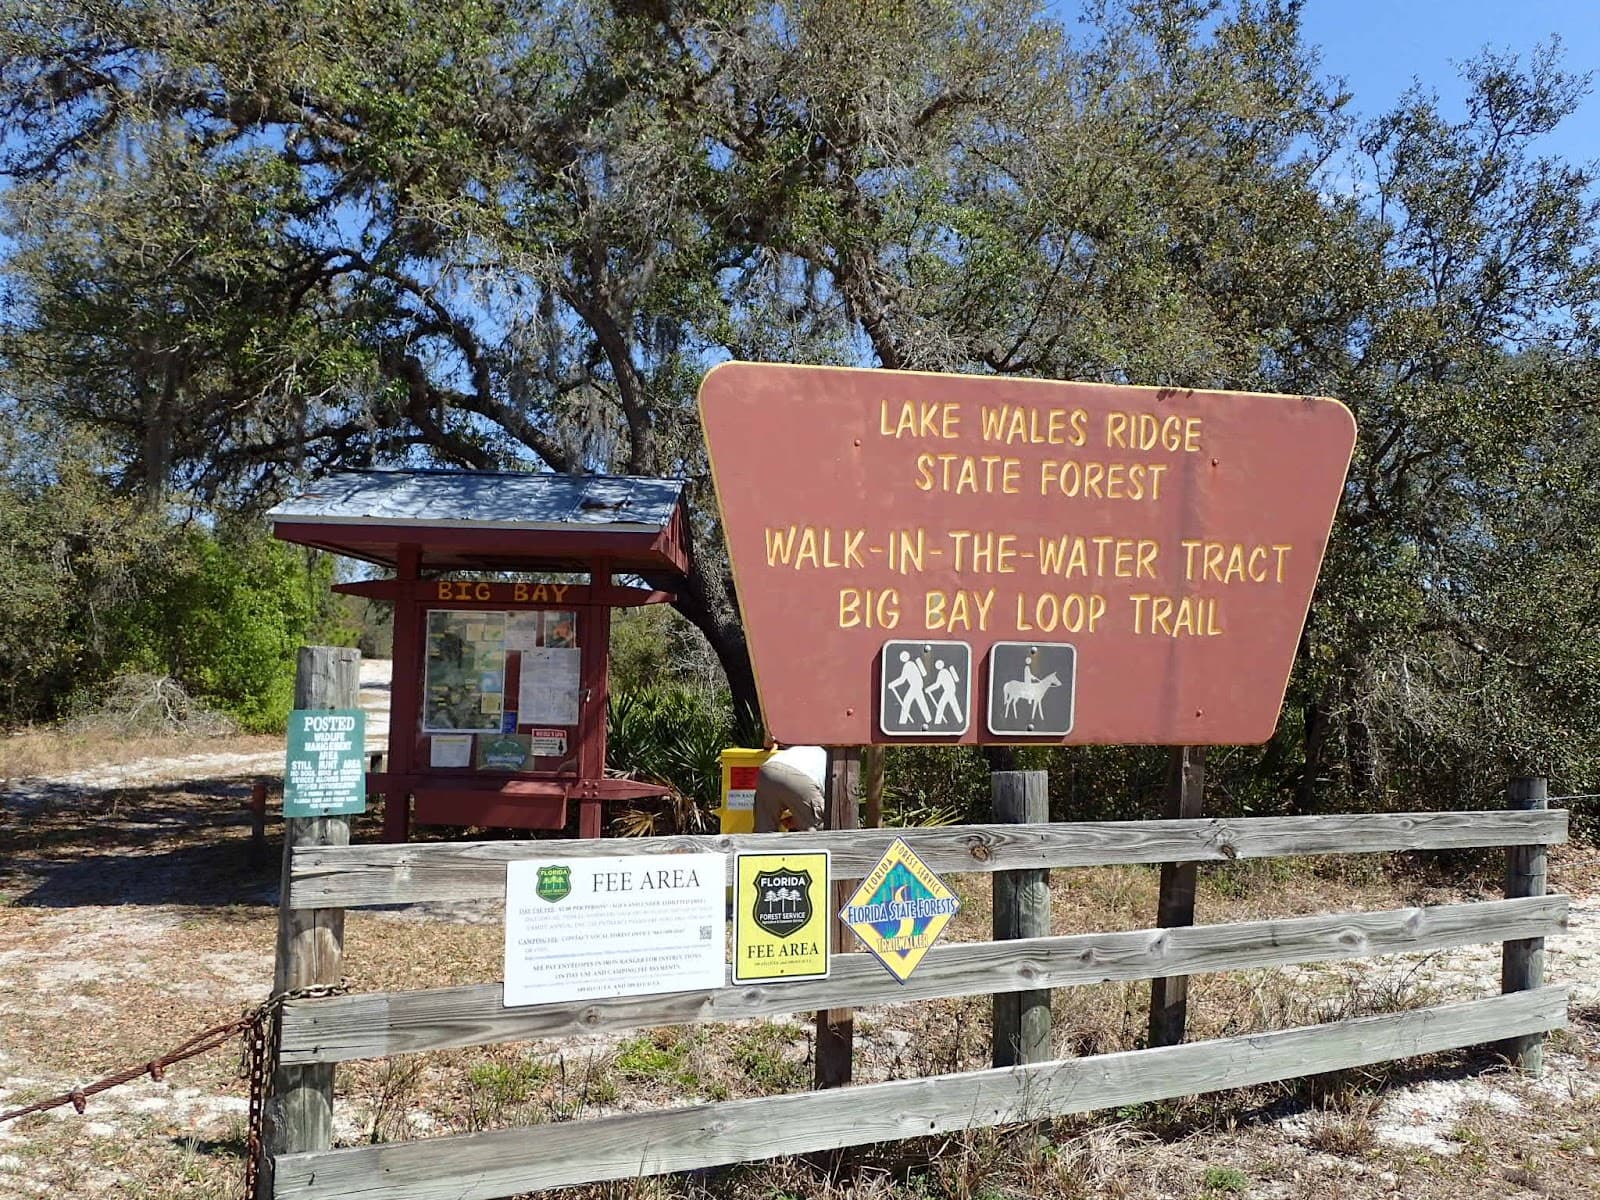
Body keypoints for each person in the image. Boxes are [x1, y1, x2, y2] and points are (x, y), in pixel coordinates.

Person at [753, 744, 828, 832]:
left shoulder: (805, 747)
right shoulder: (832, 758)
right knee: (816, 829)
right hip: (802, 778)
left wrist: (796, 818)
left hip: (768, 770)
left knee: (764, 829)